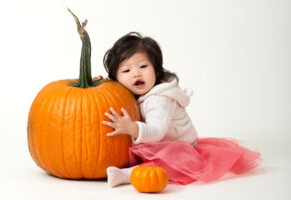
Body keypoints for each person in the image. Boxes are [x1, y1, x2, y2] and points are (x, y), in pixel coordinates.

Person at [93, 32, 262, 187]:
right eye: (126, 70)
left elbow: (157, 131)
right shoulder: (134, 90)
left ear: (156, 69)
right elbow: (115, 93)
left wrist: (132, 128)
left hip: (179, 147)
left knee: (165, 166)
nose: (136, 74)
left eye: (143, 66)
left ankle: (127, 175)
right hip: (156, 143)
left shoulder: (160, 99)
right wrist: (103, 85)